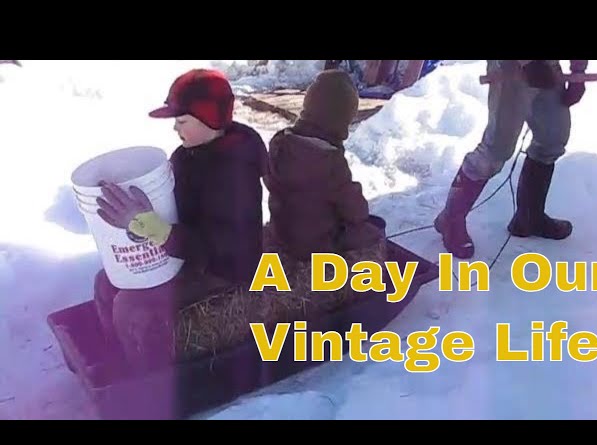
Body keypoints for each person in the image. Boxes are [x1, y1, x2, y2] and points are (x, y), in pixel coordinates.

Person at [93, 68, 268, 374]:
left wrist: (157, 230)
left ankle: (150, 383)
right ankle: (115, 356)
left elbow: (220, 246)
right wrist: (143, 212)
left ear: (210, 120)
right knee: (108, 282)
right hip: (187, 253)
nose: (175, 128)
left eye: (182, 121)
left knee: (132, 306)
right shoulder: (187, 155)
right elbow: (175, 208)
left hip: (224, 269)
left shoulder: (234, 171)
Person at [434, 60, 589, 259]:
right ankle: (450, 219)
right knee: (497, 149)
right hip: (510, 67)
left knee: (553, 138)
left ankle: (529, 218)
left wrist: (578, 72)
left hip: (549, 67)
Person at [263, 69, 385, 315]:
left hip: (280, 232)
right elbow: (354, 210)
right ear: (341, 121)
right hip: (316, 246)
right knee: (370, 232)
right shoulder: (330, 162)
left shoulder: (279, 144)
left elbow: (269, 178)